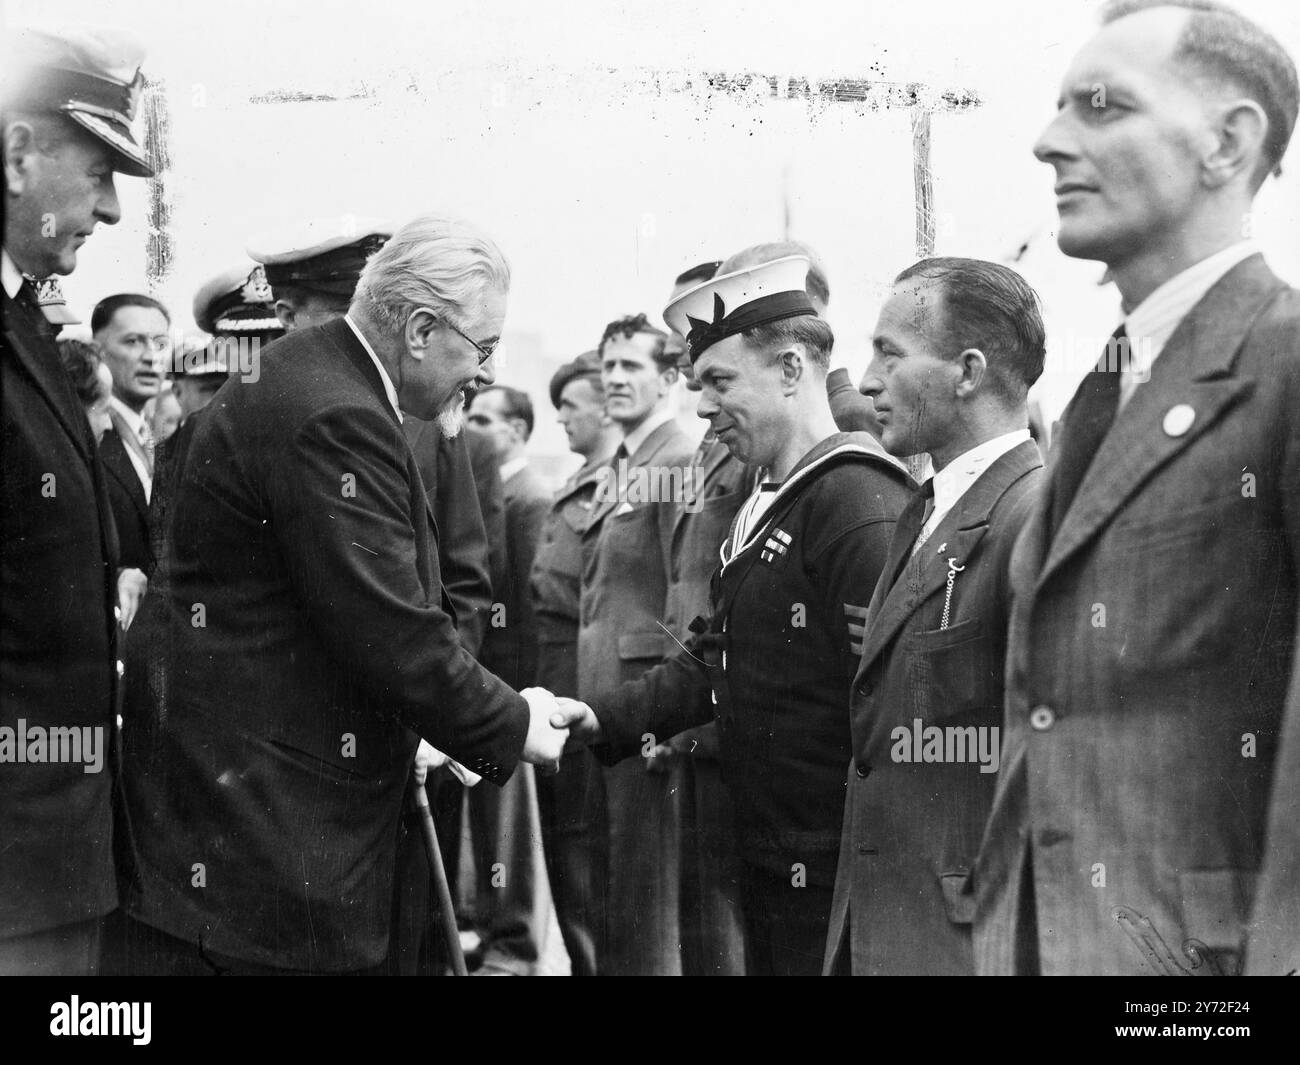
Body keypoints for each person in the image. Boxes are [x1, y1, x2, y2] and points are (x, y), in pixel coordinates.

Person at [116, 214, 570, 975]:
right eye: (482, 348)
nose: (486, 373)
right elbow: (390, 629)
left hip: (252, 823)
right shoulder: (338, 414)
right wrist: (514, 722)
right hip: (269, 841)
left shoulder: (314, 380)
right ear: (421, 328)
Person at [973, 0, 1300, 976]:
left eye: (1101, 106)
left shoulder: (1282, 362)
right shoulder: (1105, 391)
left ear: (1225, 143)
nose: (1046, 142)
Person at [557, 253, 913, 974]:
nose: (702, 407)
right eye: (697, 385)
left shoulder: (854, 500)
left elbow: (886, 710)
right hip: (773, 854)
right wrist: (603, 718)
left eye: (719, 382)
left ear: (789, 369)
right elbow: (715, 653)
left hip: (831, 868)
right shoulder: (768, 498)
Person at [246, 213, 506, 975]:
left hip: (394, 747)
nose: (484, 372)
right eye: (480, 349)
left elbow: (456, 581)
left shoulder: (415, 421)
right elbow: (368, 622)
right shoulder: (319, 413)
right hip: (309, 780)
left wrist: (441, 718)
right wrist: (498, 721)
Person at [824, 257, 1046, 975]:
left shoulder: (1034, 520)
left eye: (890, 352)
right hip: (887, 929)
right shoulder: (924, 508)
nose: (865, 380)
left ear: (970, 370)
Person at [0, 26, 155, 976]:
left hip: (50, 850)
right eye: (98, 172)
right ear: (17, 154)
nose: (105, 210)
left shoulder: (27, 325)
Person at [578, 312, 695, 975]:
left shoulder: (677, 459)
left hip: (646, 720)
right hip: (608, 716)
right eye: (608, 365)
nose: (614, 378)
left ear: (671, 377)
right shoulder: (623, 463)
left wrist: (672, 729)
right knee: (613, 893)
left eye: (632, 366)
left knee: (648, 903)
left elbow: (686, 590)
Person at [660, 260, 750, 976]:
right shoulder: (711, 443)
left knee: (729, 926)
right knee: (701, 919)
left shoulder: (763, 445)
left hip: (730, 715)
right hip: (696, 701)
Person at [530, 352, 619, 975]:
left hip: (588, 688)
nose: (561, 417)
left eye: (571, 404)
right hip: (558, 680)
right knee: (566, 842)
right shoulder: (578, 480)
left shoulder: (627, 482)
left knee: (587, 847)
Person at [462, 384, 555, 974]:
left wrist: (518, 692)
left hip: (510, 682)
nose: (470, 430)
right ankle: (490, 929)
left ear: (518, 431)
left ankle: (512, 944)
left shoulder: (527, 495)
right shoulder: (493, 488)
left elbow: (522, 602)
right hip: (489, 681)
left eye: (484, 420)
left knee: (509, 825)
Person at [92, 293, 172, 572]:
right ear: (97, 351)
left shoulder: (157, 436)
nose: (151, 357)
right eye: (132, 341)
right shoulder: (88, 434)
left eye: (160, 344)